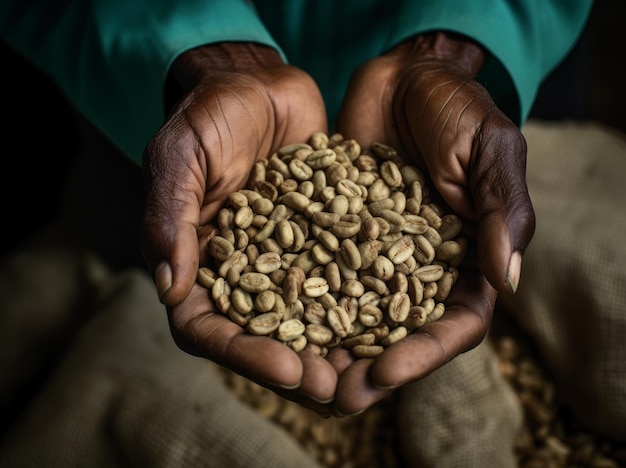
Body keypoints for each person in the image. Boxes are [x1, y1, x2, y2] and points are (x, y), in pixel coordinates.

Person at [0, 1, 595, 465]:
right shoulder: (271, 219)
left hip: (483, 56)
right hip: (167, 97)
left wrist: (457, 42)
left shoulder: (394, 236)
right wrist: (202, 50)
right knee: (146, 231)